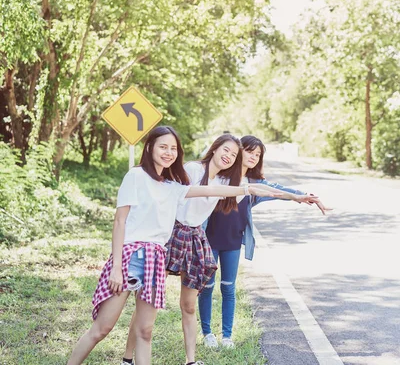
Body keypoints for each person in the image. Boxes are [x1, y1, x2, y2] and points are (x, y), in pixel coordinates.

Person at [67, 126, 278, 365]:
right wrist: (116, 267)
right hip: (130, 257)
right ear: (150, 148)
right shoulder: (135, 176)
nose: (168, 152)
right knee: (102, 329)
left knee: (146, 332)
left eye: (173, 149)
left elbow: (230, 188)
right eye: (163, 147)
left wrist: (291, 195)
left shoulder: (174, 187)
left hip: (156, 258)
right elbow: (119, 222)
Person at [121, 134, 315, 365]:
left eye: (233, 155)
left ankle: (191, 361)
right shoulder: (192, 169)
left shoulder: (225, 184)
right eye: (226, 151)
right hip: (170, 234)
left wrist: (296, 197)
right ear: (214, 149)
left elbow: (261, 189)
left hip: (194, 238)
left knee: (189, 304)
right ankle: (127, 358)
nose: (229, 157)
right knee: (148, 300)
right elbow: (163, 189)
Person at [199, 135, 331, 349]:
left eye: (258, 154)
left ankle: (226, 336)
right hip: (209, 241)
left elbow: (277, 190)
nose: (253, 157)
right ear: (239, 151)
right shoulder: (220, 177)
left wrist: (303, 195)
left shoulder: (255, 184)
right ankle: (207, 333)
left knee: (228, 288)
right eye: (249, 151)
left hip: (233, 242)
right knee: (207, 286)